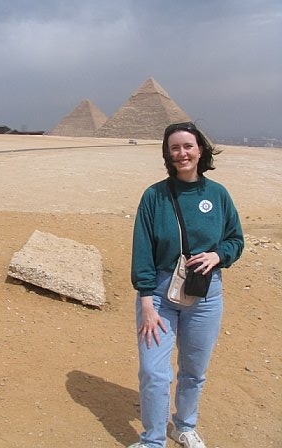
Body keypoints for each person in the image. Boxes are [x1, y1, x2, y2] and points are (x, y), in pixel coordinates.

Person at [129, 122, 244, 448]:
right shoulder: (154, 196)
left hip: (206, 293)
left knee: (193, 370)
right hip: (160, 295)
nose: (182, 153)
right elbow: (142, 251)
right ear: (167, 153)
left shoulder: (217, 194)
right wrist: (146, 301)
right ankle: (152, 440)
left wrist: (217, 255)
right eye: (174, 148)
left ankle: (184, 426)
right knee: (154, 371)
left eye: (188, 146)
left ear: (201, 149)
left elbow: (236, 239)